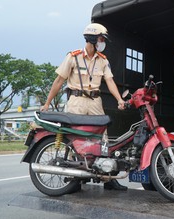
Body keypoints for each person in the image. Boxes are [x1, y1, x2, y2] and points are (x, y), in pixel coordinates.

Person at [41, 23, 127, 191]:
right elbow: (59, 80)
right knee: (74, 139)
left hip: (95, 101)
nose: (103, 42)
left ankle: (108, 178)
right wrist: (46, 103)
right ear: (93, 39)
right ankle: (75, 178)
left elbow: (110, 81)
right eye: (101, 39)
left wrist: (119, 100)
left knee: (102, 138)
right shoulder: (73, 57)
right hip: (76, 100)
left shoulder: (103, 60)